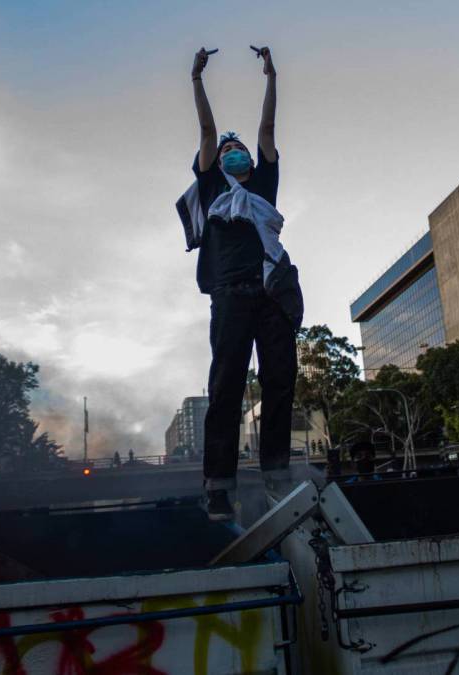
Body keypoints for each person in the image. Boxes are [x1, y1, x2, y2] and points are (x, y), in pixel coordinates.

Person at [181, 45, 302, 521]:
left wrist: (272, 75)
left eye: (240, 149)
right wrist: (196, 79)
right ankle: (218, 485)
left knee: (280, 381)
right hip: (230, 298)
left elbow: (268, 129)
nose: (234, 151)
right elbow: (208, 130)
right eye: (226, 150)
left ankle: (275, 472)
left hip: (272, 295)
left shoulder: (263, 186)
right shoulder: (213, 190)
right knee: (227, 387)